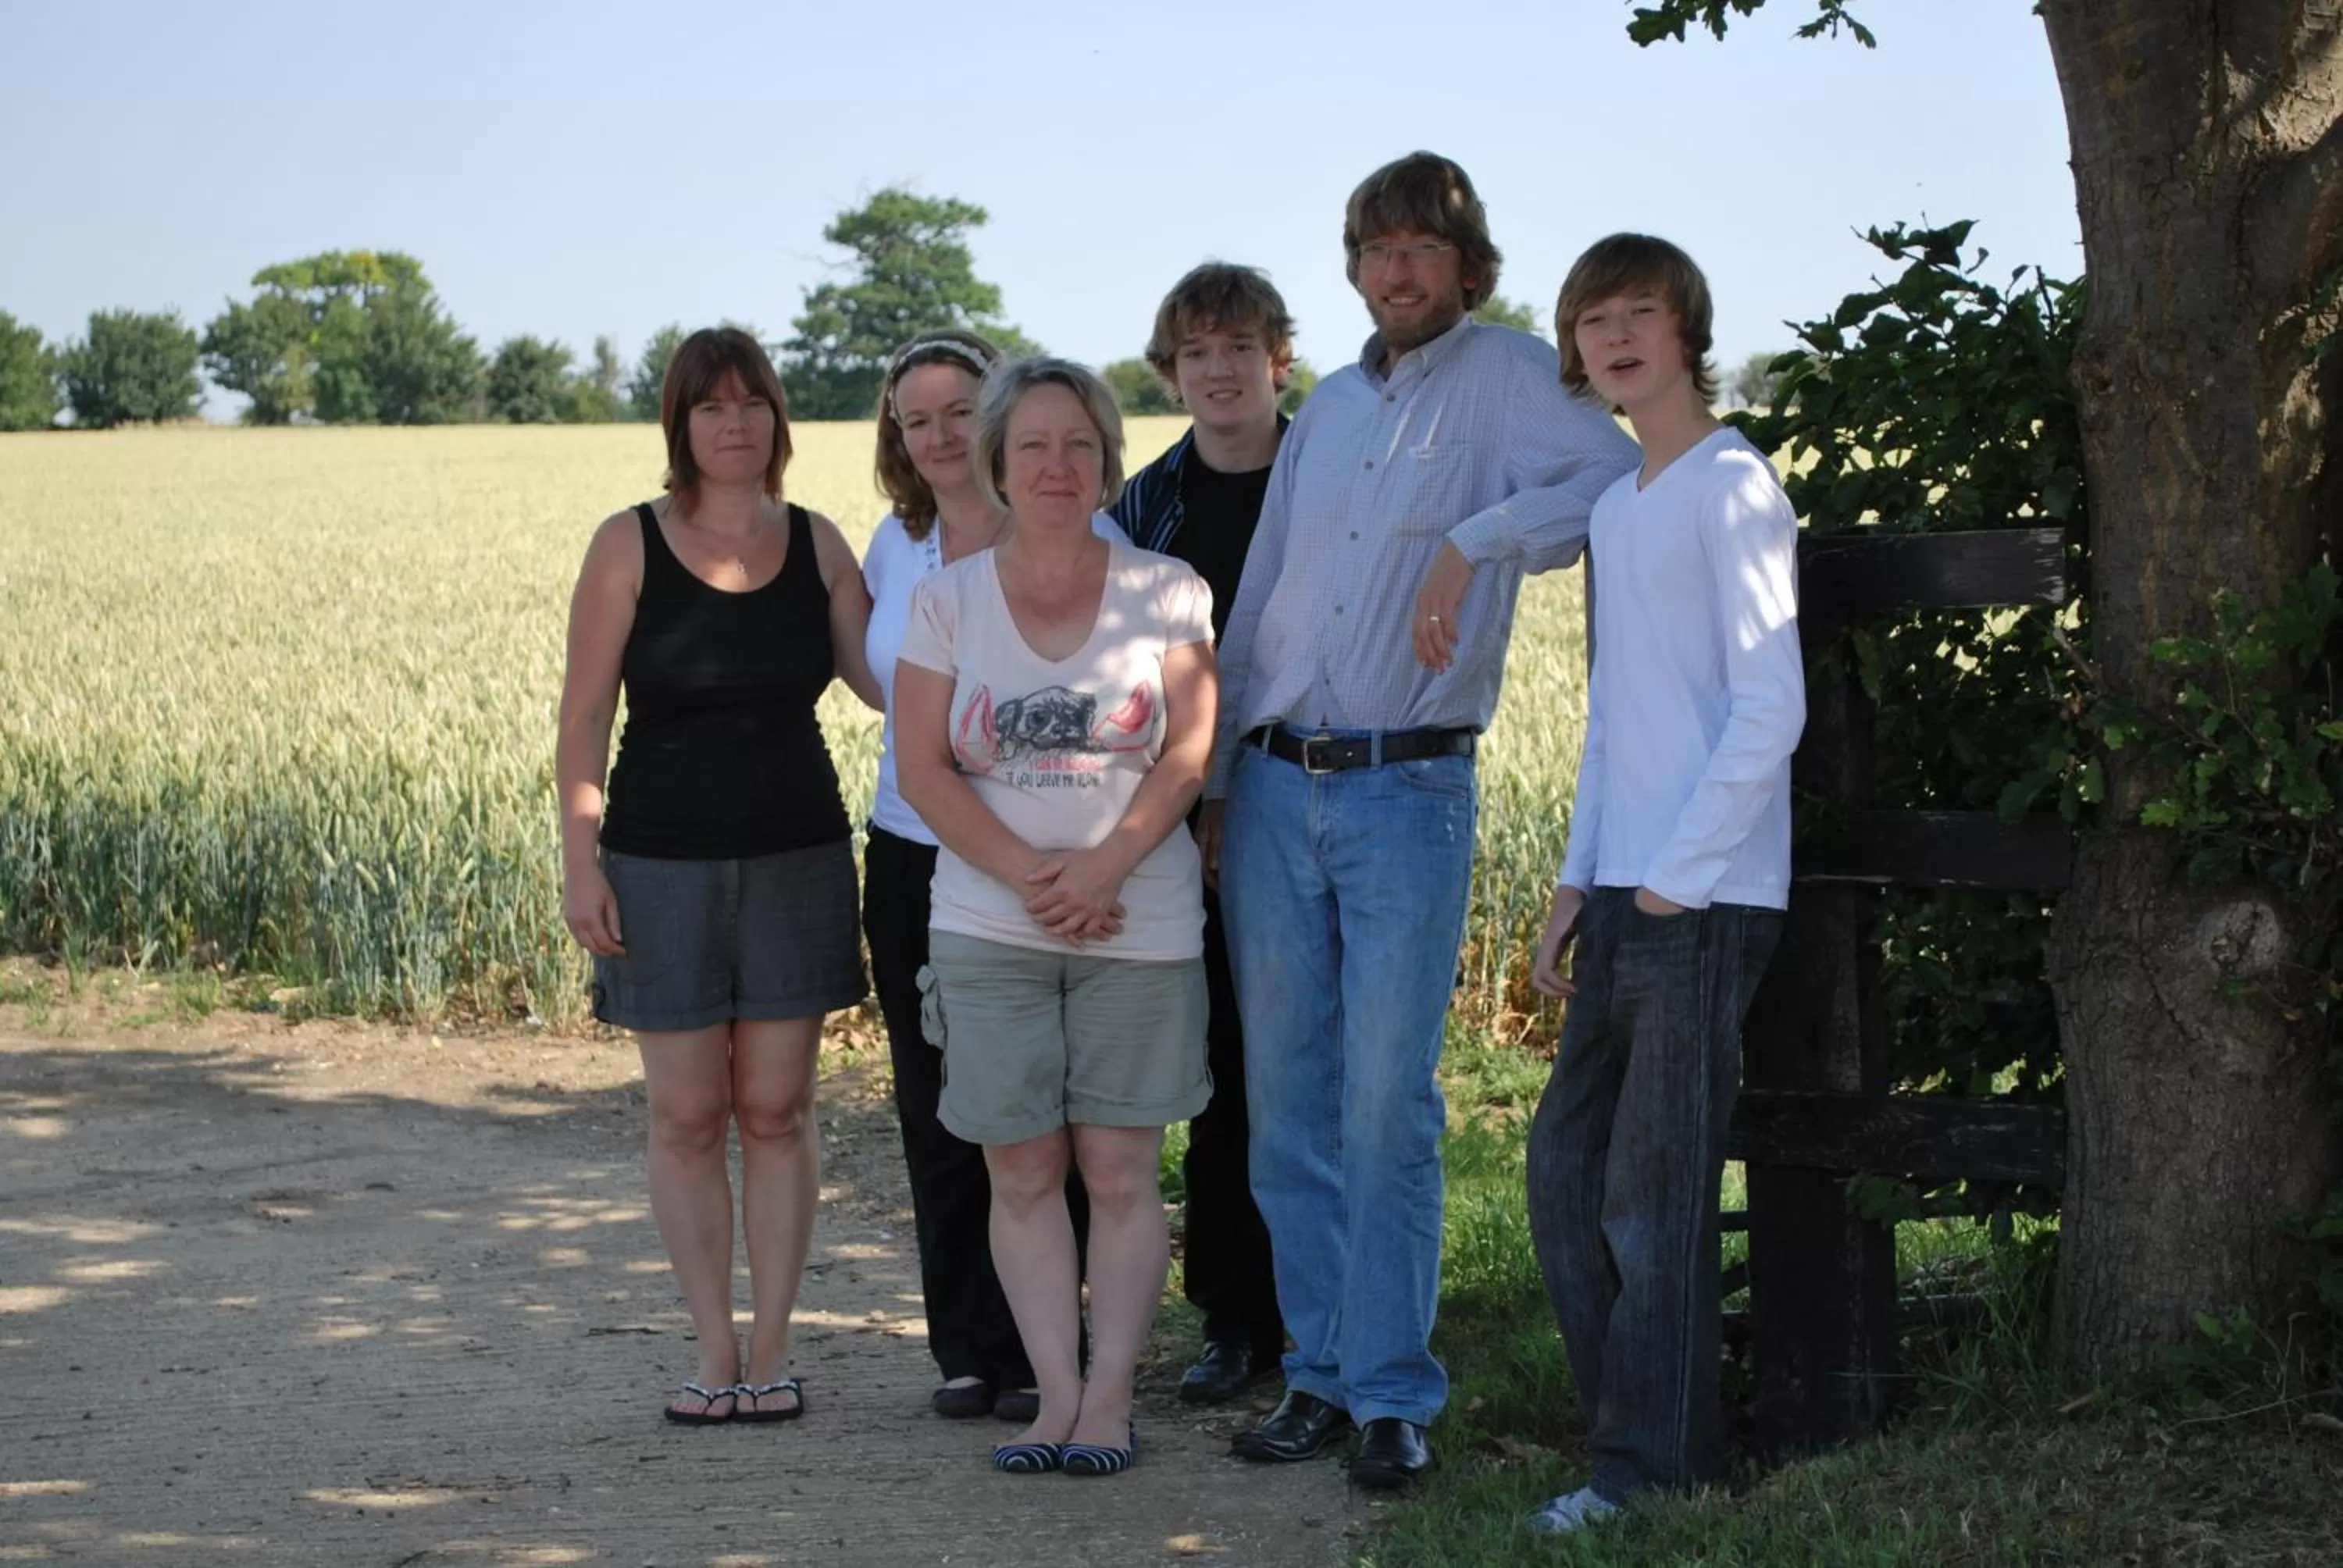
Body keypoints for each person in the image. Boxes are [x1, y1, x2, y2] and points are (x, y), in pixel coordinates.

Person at [1210, 152, 1640, 1488]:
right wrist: (1218, 779)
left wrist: (1478, 535)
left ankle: (1397, 1392)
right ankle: (1322, 1375)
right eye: (1375, 250)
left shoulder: (1515, 377)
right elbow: (1266, 593)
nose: (1397, 273)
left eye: (1421, 250)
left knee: (1389, 1103)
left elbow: (1617, 484)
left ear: (1466, 263)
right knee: (1286, 1103)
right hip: (1276, 787)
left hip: (1409, 789)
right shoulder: (1328, 409)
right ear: (1352, 269)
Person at [1522, 234, 1805, 1534]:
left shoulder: (1730, 486)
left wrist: (1678, 885)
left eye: (1641, 314)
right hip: (1627, 891)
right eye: (1593, 320)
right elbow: (1609, 719)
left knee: (1652, 1198)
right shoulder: (1619, 504)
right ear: (1575, 347)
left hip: (1702, 898)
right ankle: (1636, 1438)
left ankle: (1654, 1474)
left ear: (1688, 331)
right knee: (1567, 1175)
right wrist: (1582, 881)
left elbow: (1770, 708)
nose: (1617, 337)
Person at [894, 356, 1216, 1477]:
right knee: (1022, 1171)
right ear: (999, 462)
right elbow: (925, 771)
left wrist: (1108, 868)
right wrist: (1040, 876)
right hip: (989, 926)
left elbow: (1186, 750)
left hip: (1144, 918)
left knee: (1121, 1170)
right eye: (1031, 446)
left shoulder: (1166, 589)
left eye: (1078, 445)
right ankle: (1056, 1400)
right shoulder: (946, 603)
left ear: (1108, 461)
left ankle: (1114, 1400)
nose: (1056, 466)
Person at [556, 326, 879, 1426]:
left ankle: (777, 1351)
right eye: (712, 408)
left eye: (753, 405)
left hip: (797, 855)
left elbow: (887, 681)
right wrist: (579, 860)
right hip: (657, 864)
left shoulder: (822, 544)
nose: (735, 425)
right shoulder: (627, 543)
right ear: (680, 426)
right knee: (689, 1114)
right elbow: (586, 714)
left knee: (778, 1109)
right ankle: (714, 1348)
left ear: (778, 421)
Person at [861, 330, 1095, 1426]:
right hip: (914, 852)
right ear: (897, 439)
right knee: (940, 1101)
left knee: (1053, 1100)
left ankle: (1057, 1344)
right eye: (918, 419)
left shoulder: (1054, 529)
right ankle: (970, 1348)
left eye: (962, 410)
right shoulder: (894, 547)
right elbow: (878, 686)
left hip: (1044, 859)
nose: (942, 435)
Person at [1109, 262, 1294, 1405]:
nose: (1218, 371)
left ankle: (1331, 1315)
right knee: (1225, 1073)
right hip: (1193, 824)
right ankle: (1235, 1319)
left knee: (1313, 1073)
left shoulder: (1338, 472)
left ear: (1280, 357)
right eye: (1195, 353)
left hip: (1322, 798)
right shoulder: (1145, 507)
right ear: (1170, 371)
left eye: (1240, 347)